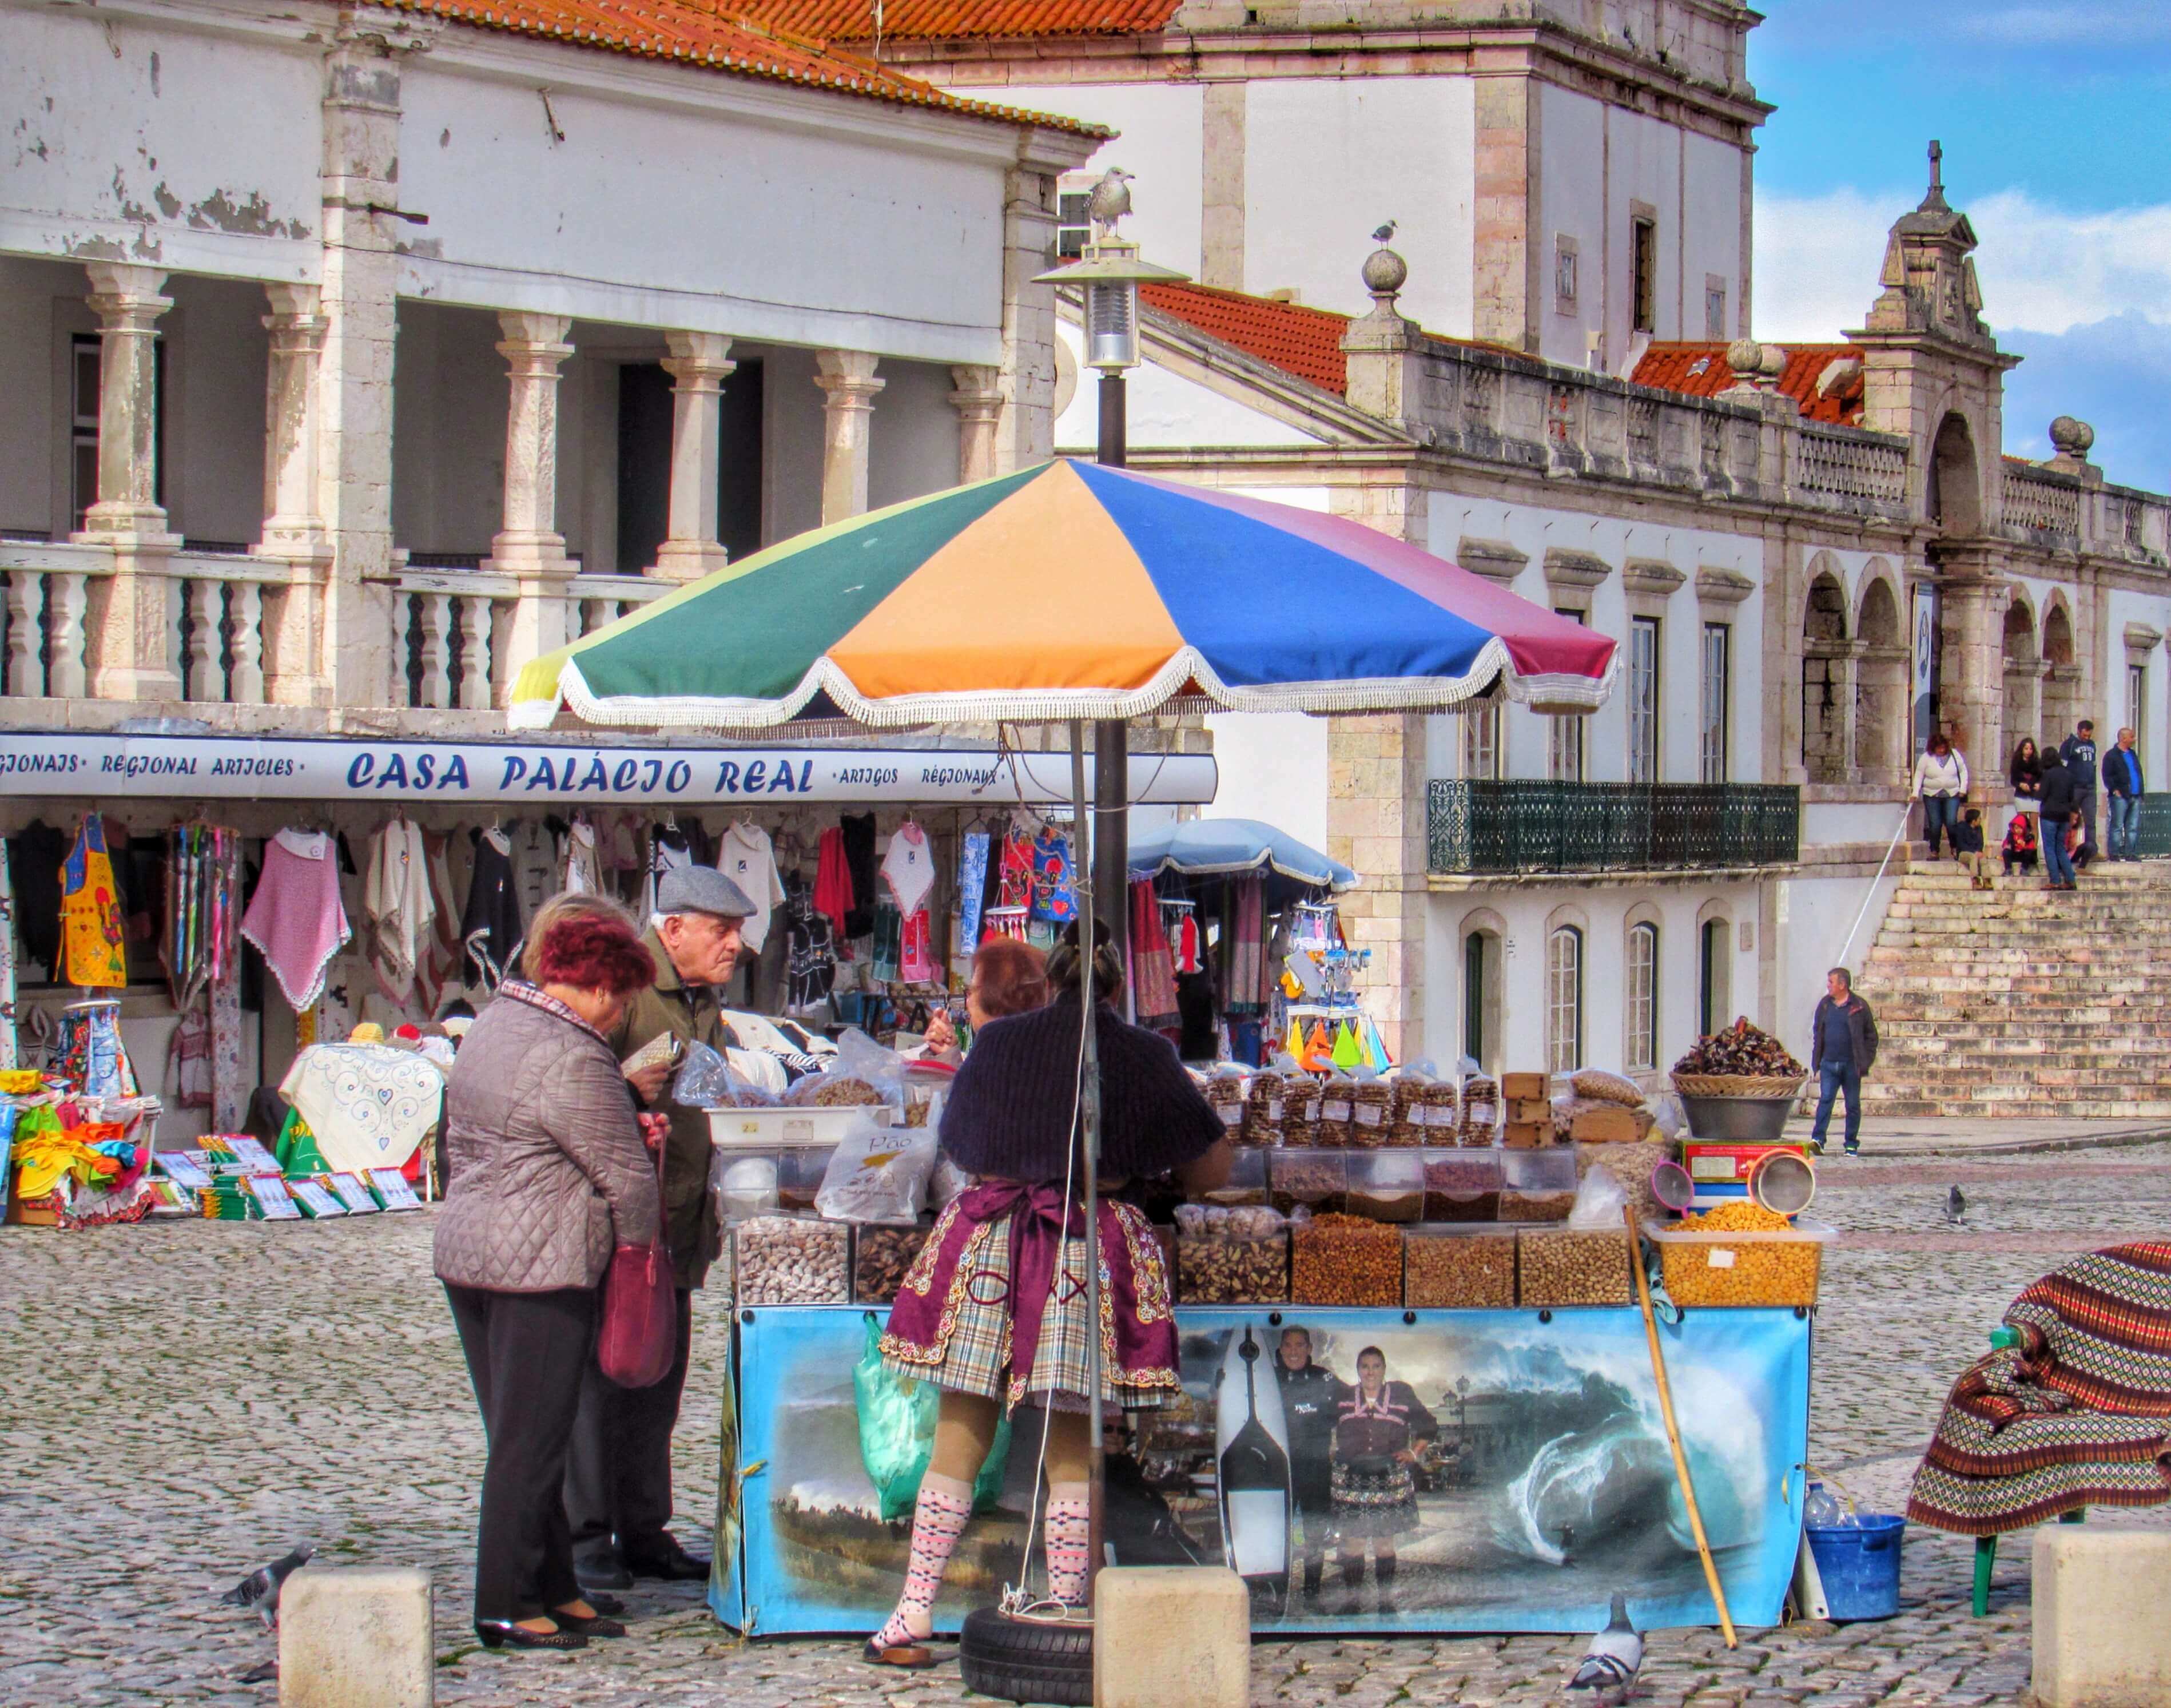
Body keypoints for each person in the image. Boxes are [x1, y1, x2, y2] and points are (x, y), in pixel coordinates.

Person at [865, 920, 1231, 1666]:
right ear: (1119, 983)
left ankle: (910, 1615)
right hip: (1082, 1244)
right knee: (1072, 1441)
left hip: (992, 1235)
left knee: (960, 1426)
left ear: (1052, 973)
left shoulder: (998, 1044)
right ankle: (1066, 1610)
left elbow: (961, 1142)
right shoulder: (1145, 1053)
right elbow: (1209, 1171)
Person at [433, 904, 661, 1651]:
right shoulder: (575, 1052)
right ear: (596, 986)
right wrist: (638, 1261)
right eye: (620, 996)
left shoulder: (495, 1024)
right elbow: (627, 1179)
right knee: (530, 1446)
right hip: (542, 1264)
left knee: (526, 1434)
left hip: (471, 1250)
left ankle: (557, 1584)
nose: (621, 1011)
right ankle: (505, 1598)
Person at [566, 866, 756, 1594]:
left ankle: (643, 1529)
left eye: (737, 930)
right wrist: (623, 1085)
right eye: (720, 929)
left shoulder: (703, 998)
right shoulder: (627, 991)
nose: (735, 943)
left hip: (674, 1224)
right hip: (618, 1227)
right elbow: (576, 1088)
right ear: (672, 928)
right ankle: (589, 1537)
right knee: (603, 1380)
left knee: (656, 1386)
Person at [1327, 1346, 1438, 1614]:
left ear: (1384, 1369)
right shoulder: (1343, 1397)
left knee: (1383, 1542)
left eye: (1376, 1366)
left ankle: (1386, 1603)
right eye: (1365, 1366)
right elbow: (1320, 1428)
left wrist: (1414, 1452)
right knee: (1353, 1542)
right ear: (1358, 1370)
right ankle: (1352, 1603)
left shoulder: (1402, 1394)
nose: (1370, 1372)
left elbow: (1429, 1425)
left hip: (1388, 1477)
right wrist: (1330, 1452)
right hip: (1352, 1480)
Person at [1274, 1326, 1343, 1601]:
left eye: (1300, 1345)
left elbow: (1349, 1405)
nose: (1293, 1351)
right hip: (1281, 1469)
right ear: (1281, 1349)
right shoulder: (1269, 1378)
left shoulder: (1324, 1378)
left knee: (1314, 1532)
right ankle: (1278, 1589)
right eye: (1288, 1346)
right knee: (1280, 1531)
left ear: (1309, 1349)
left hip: (1316, 1468)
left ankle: (1312, 1590)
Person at [916, 936, 1049, 1058]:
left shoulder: (999, 1064)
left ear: (997, 1003)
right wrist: (949, 1054)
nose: (968, 1002)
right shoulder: (1041, 1053)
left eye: (971, 991)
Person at [1808, 966, 1878, 1158]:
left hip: (1851, 1065)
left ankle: (1851, 1144)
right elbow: (1818, 1032)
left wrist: (1865, 1061)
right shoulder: (1824, 1005)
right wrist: (1818, 1058)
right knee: (1826, 1100)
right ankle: (1818, 1139)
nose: (1828, 986)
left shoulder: (1859, 1007)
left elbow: (1871, 1037)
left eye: (1831, 982)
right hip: (1829, 1063)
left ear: (1842, 985)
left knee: (1853, 1105)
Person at [1910, 732, 1970, 858]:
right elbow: (1919, 774)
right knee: (1935, 823)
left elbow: (1963, 771)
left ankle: (1954, 848)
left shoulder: (1955, 755)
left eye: (1943, 748)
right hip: (1932, 795)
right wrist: (1915, 793)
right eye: (1938, 748)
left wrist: (1963, 789)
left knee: (1951, 822)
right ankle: (1934, 850)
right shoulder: (1926, 758)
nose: (1941, 750)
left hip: (1952, 793)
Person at [2038, 745, 2079, 890]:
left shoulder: (2048, 774)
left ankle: (2055, 880)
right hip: (2064, 815)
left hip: (2049, 814)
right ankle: (2070, 879)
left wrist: (2037, 789)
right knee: (2060, 848)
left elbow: (2042, 795)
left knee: (2049, 848)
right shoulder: (2068, 774)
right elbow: (2071, 797)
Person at [2060, 720, 2100, 857]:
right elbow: (2063, 766)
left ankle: (2092, 851)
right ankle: (2065, 847)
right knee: (2071, 819)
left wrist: (2094, 785)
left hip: (2089, 788)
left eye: (2089, 736)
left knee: (2091, 820)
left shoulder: (2092, 745)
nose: (2087, 738)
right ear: (2079, 731)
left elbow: (2094, 766)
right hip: (2075, 787)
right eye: (2084, 735)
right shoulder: (2069, 745)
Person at [2105, 727, 2145, 860]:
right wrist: (2114, 790)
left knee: (2132, 826)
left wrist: (2141, 792)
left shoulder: (2132, 754)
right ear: (2123, 738)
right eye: (2132, 737)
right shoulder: (2112, 755)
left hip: (2135, 795)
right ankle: (2114, 853)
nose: (2134, 739)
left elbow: (2137, 772)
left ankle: (2130, 853)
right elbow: (2107, 775)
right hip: (2121, 796)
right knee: (2117, 825)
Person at [1953, 807, 1991, 890]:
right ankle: (1975, 879)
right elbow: (1961, 844)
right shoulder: (1961, 827)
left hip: (1976, 852)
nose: (1981, 820)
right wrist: (1974, 852)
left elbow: (1981, 842)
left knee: (1983, 859)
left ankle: (1986, 880)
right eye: (1979, 819)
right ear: (1974, 821)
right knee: (1973, 857)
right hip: (1964, 853)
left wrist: (1979, 851)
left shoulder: (1979, 828)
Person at [2007, 738, 2042, 825]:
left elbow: (2041, 777)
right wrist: (2020, 785)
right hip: (2021, 795)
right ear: (2022, 749)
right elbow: (2013, 780)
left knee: (2034, 824)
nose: (2029, 751)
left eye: (2031, 749)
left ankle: (2033, 839)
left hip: (2034, 796)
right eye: (2026, 749)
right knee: (2022, 823)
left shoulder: (2037, 762)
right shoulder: (2016, 762)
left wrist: (2039, 785)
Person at [2000, 811, 2039, 879]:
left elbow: (2032, 848)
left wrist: (2024, 846)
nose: (2017, 830)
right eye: (2016, 828)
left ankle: (2024, 869)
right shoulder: (2011, 835)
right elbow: (2005, 844)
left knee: (2029, 852)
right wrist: (2010, 845)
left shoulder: (2029, 837)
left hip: (2024, 856)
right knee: (2006, 852)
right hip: (2014, 854)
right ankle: (2008, 869)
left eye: (2020, 828)